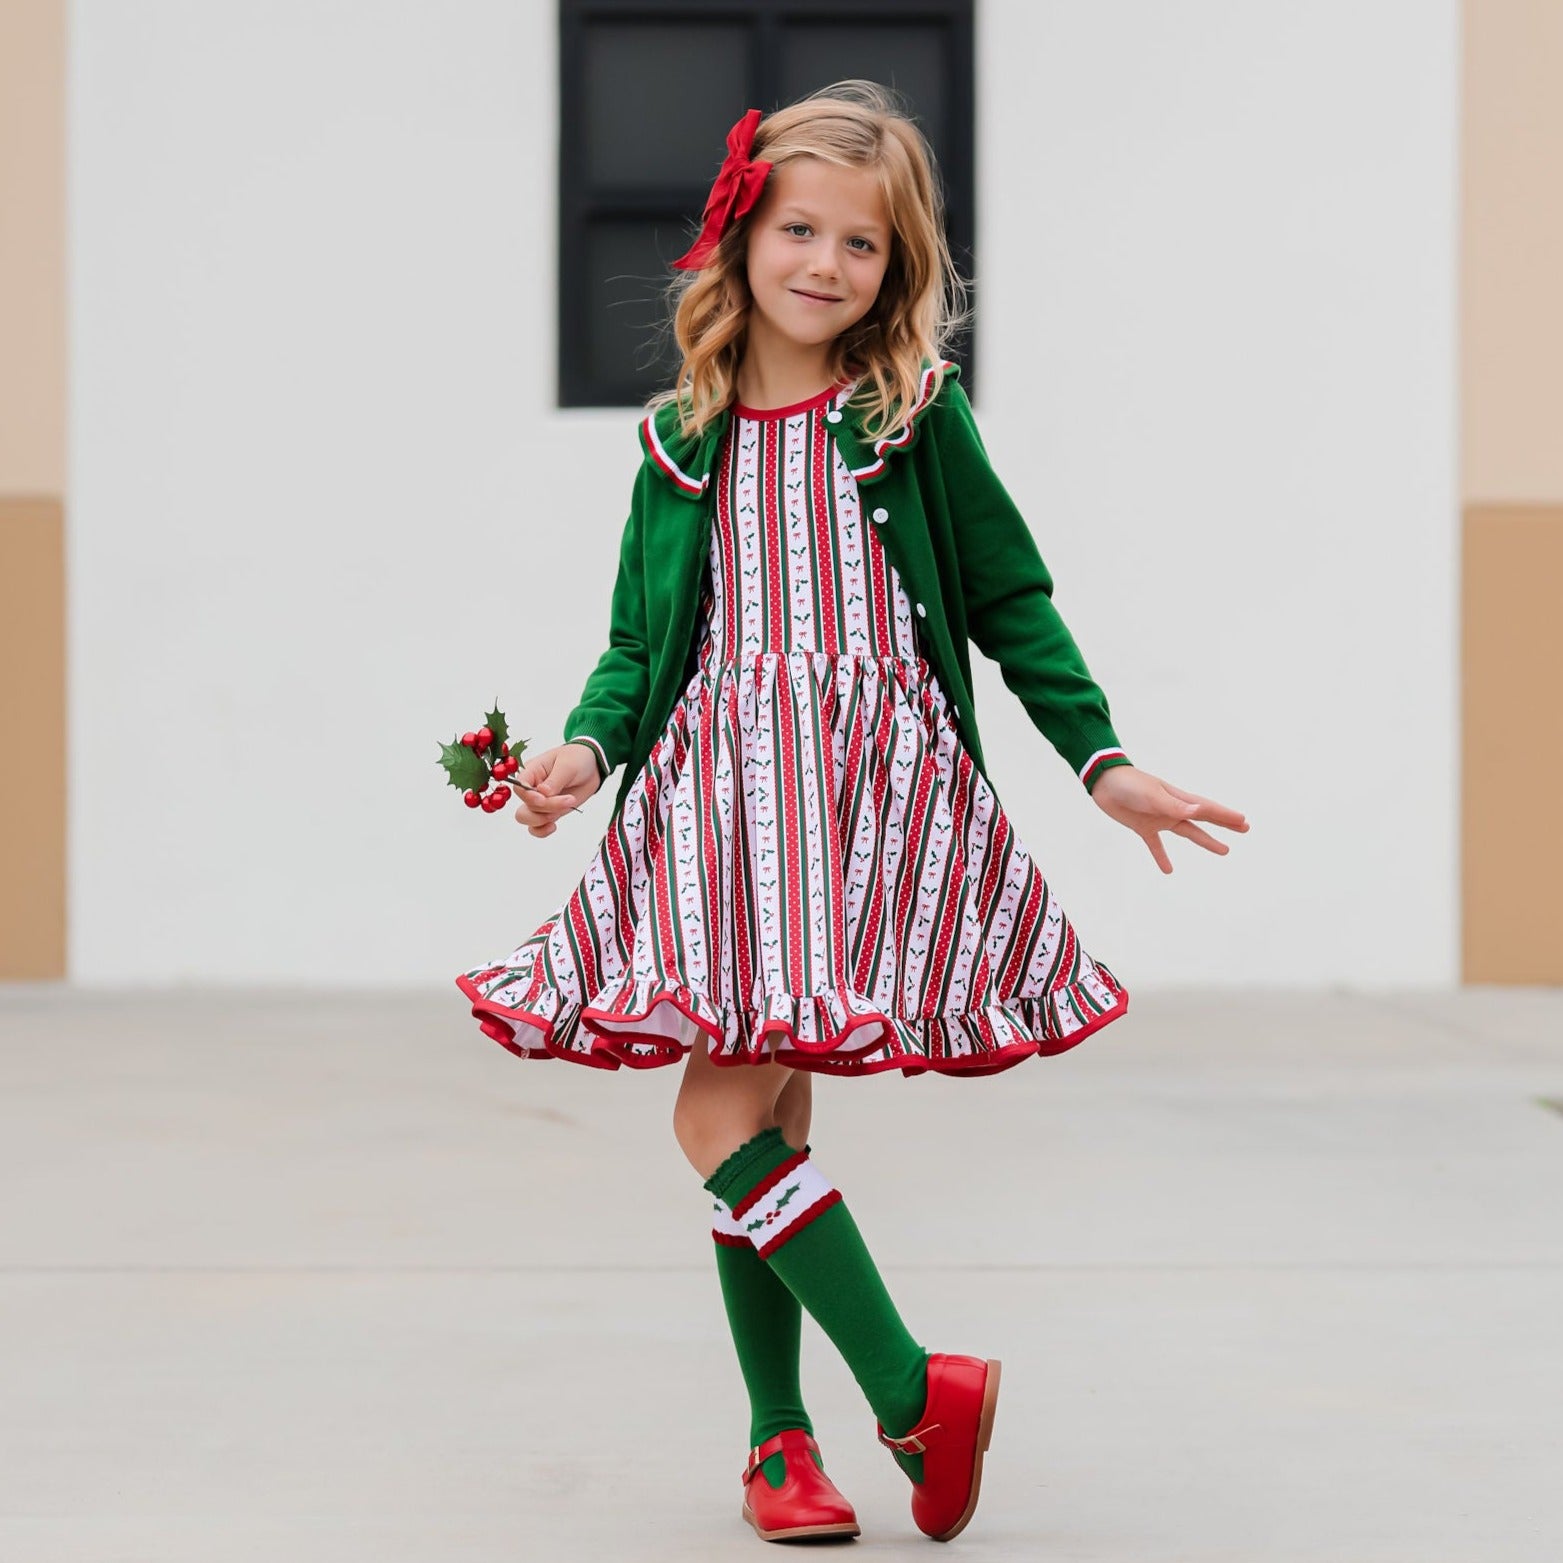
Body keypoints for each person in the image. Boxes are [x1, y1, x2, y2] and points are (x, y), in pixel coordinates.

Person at [456, 80, 1248, 1545]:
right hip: (719, 809)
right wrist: (578, 750)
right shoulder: (676, 440)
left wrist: (1102, 760)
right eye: (802, 229)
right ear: (742, 233)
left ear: (900, 269)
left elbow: (1013, 601)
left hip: (870, 807)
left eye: (865, 247)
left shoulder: (912, 419)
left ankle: (859, 1410)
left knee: (732, 1113)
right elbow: (639, 645)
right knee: (744, 1113)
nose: (827, 264)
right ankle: (834, 1422)